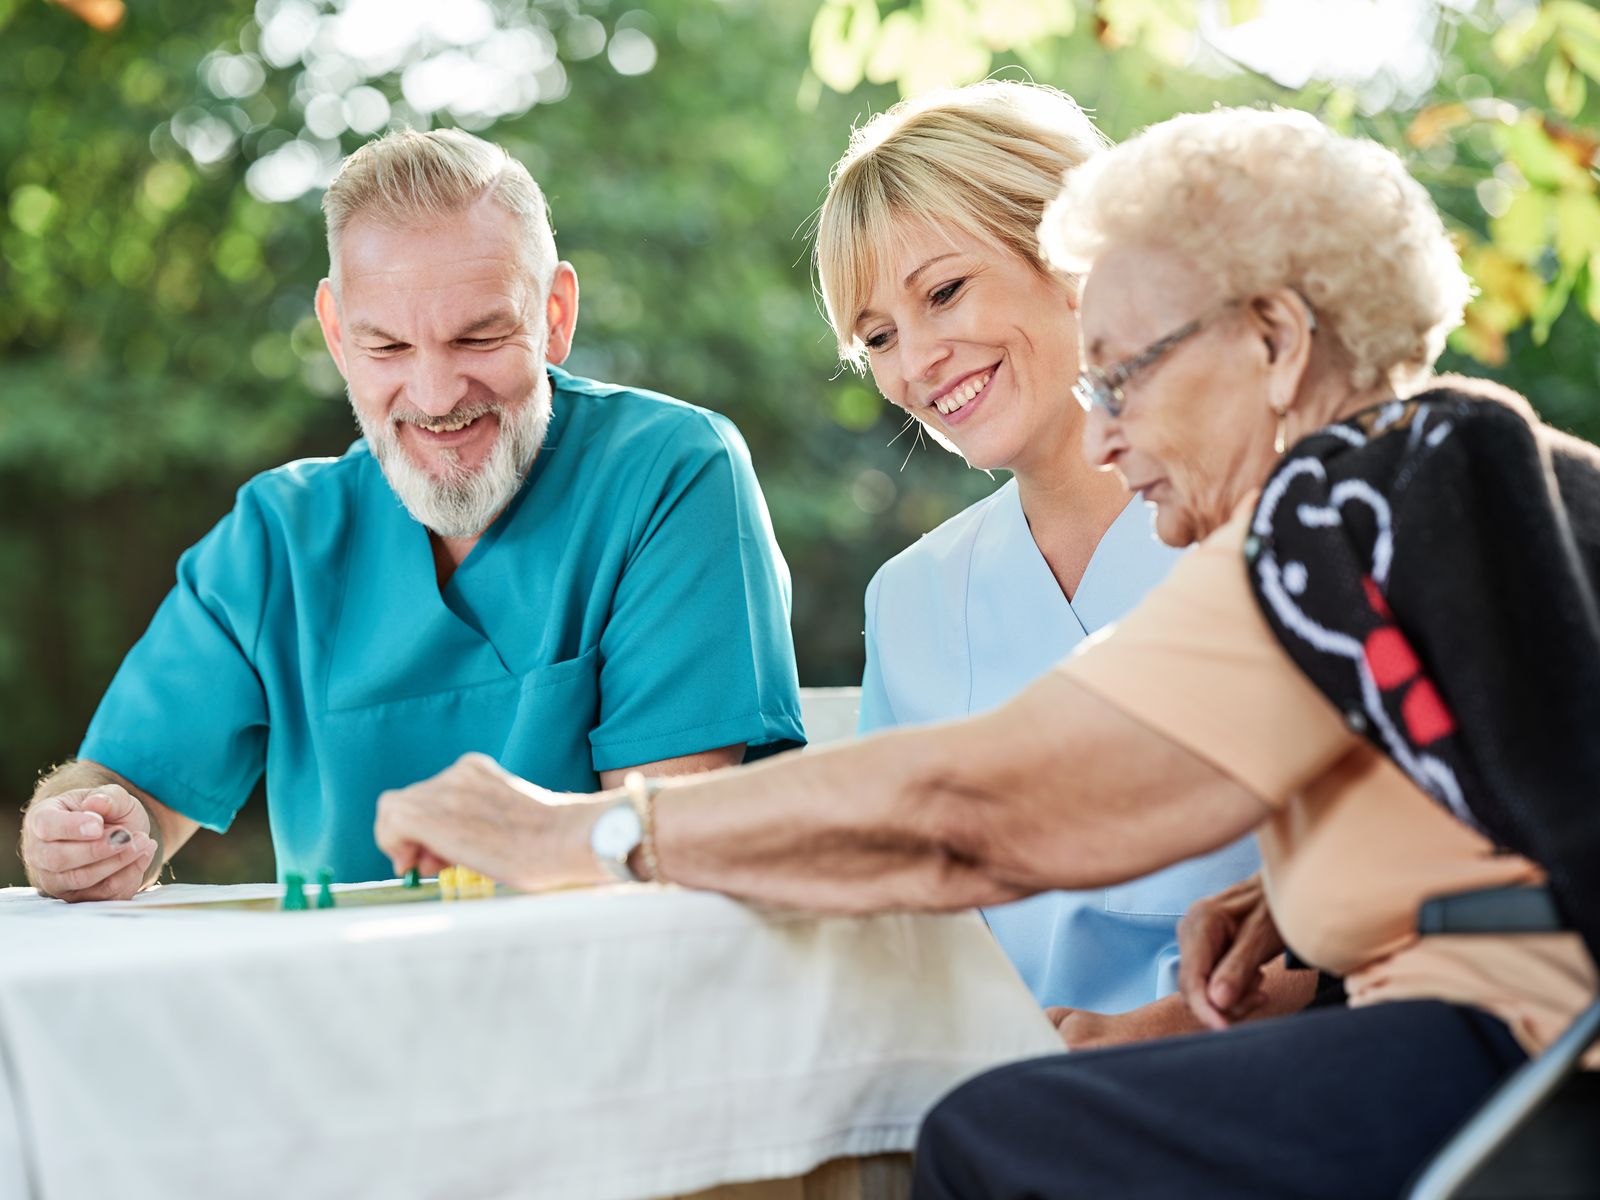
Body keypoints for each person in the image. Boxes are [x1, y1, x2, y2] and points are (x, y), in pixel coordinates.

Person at [373, 107, 1600, 1196]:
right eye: (876, 336)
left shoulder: (1324, 516)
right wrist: (1298, 923)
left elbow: (966, 811)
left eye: (1128, 375)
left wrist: (583, 831)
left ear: (1274, 341)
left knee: (987, 1141)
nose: (1105, 429)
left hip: (1532, 1080)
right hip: (1472, 1052)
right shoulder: (1421, 486)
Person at [19, 128, 804, 902]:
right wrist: (81, 831)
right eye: (387, 347)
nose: (434, 397)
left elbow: (658, 845)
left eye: (480, 335)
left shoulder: (668, 474)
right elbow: (130, 787)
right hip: (341, 1005)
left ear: (555, 315)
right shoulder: (278, 536)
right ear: (334, 334)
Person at [813, 81, 1275, 1044]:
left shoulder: (1274, 520)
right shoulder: (908, 599)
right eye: (878, 338)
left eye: (943, 291)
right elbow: (897, 910)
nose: (918, 361)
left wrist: (1182, 1029)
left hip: (1277, 1066)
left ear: (1073, 249)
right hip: (994, 1086)